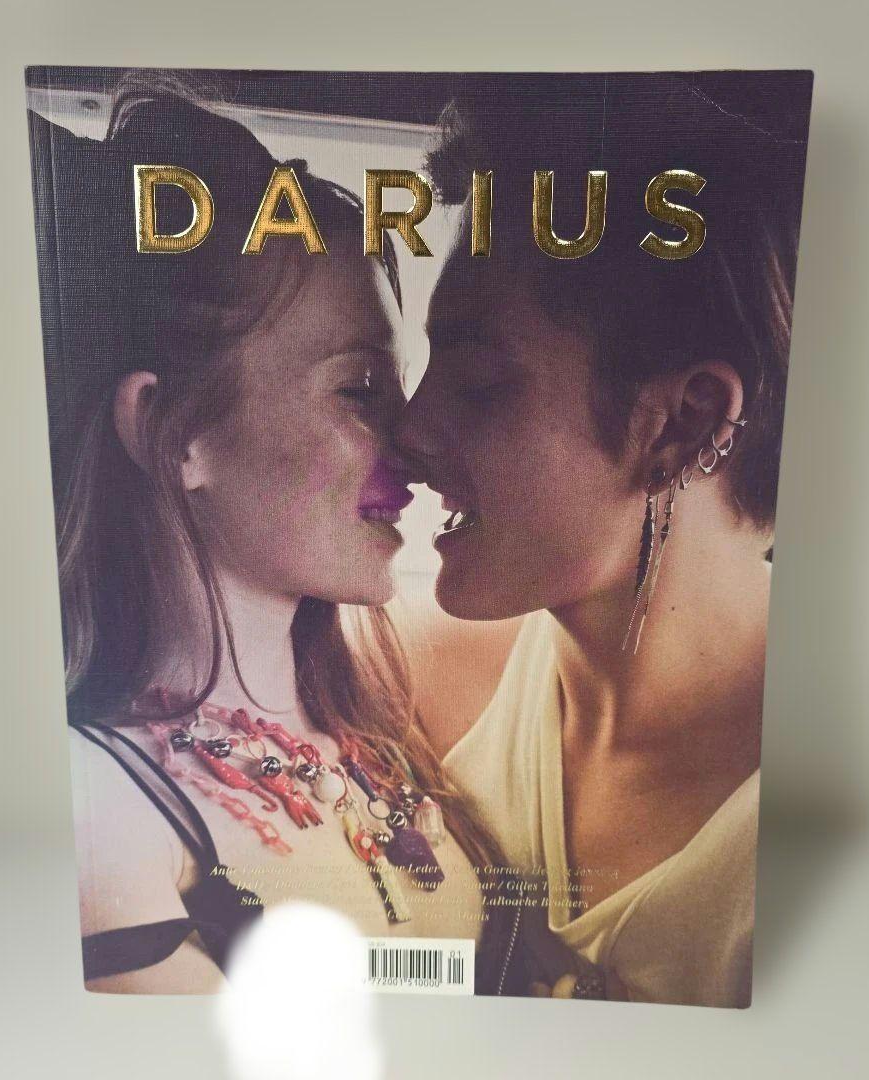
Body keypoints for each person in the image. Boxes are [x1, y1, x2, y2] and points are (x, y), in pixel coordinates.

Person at [29, 77, 524, 994]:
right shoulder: (95, 802)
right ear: (173, 433)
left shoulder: (396, 707)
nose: (415, 438)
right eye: (359, 389)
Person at [393, 73, 811, 1006]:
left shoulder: (833, 812)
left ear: (682, 422)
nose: (409, 430)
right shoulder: (411, 678)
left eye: (479, 383)